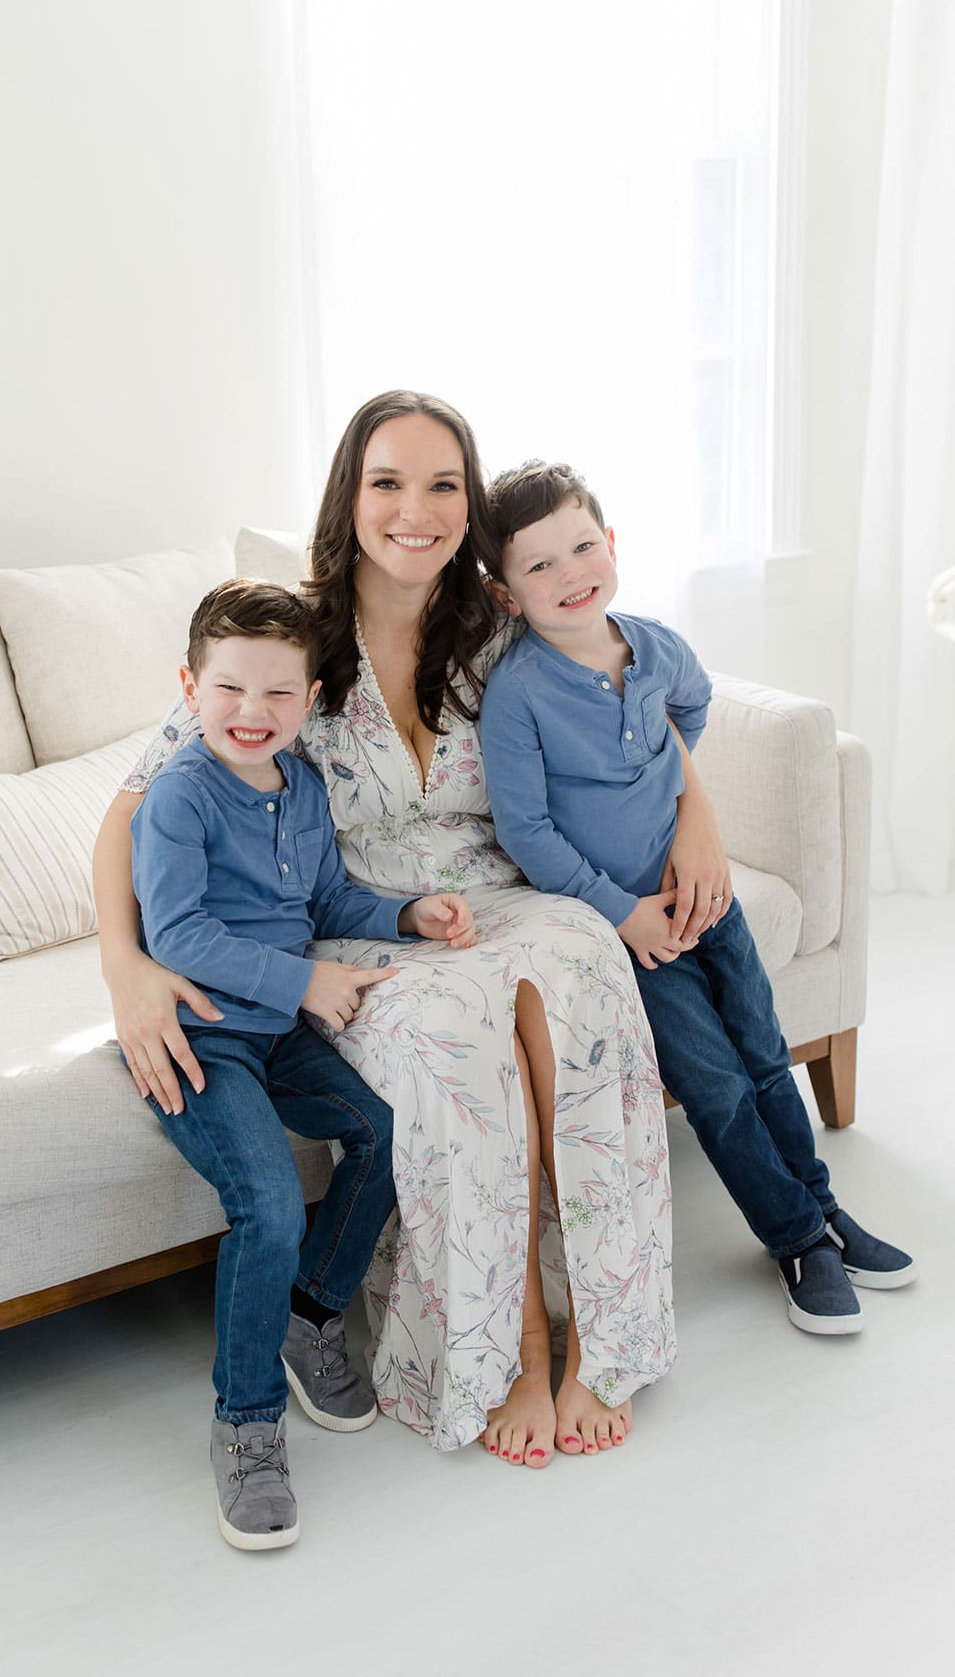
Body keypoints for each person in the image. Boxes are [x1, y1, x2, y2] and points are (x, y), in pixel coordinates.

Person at [96, 392, 703, 1467]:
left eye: (442, 485)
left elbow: (640, 701)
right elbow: (131, 806)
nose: (414, 510)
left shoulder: (501, 622)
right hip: (348, 918)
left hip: (491, 892)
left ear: (469, 503)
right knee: (454, 1026)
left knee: (586, 967)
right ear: (351, 493)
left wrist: (699, 821)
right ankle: (511, 1352)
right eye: (388, 482)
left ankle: (601, 1338)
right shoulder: (289, 636)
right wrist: (128, 971)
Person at [478, 460, 917, 1335]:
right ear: (503, 593)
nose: (570, 574)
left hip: (706, 899)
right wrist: (625, 912)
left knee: (765, 1052)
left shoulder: (657, 646)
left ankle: (820, 1209)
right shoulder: (518, 696)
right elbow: (526, 835)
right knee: (714, 1083)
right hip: (637, 929)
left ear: (613, 544)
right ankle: (793, 1239)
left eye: (582, 546)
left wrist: (690, 827)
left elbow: (694, 711)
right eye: (539, 566)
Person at [129, 577, 474, 1549]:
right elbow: (178, 932)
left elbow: (328, 902)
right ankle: (244, 1424)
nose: (253, 712)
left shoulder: (306, 790)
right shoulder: (179, 796)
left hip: (276, 1030)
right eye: (231, 688)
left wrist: (406, 916)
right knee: (271, 1203)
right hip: (200, 1033)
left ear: (312, 699)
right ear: (190, 687)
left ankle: (310, 1312)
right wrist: (300, 987)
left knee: (383, 1131)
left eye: (279, 693)